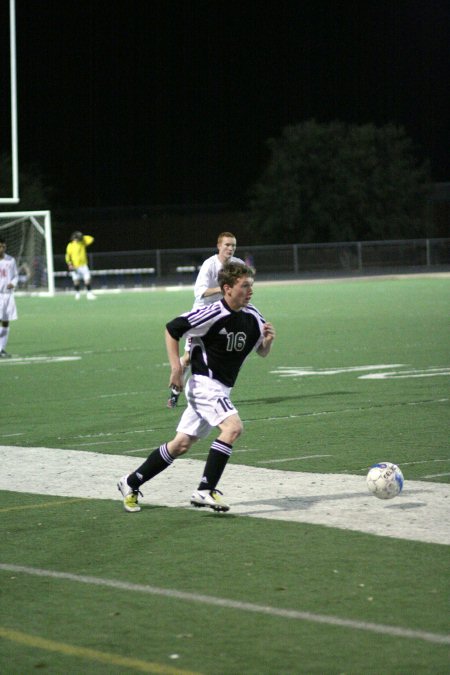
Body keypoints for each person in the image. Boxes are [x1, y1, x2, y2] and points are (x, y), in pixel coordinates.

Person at [118, 260, 276, 513]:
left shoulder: (253, 316)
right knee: (233, 428)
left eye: (251, 286)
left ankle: (130, 481)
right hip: (204, 385)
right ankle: (205, 490)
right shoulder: (212, 313)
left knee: (180, 444)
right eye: (244, 286)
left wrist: (267, 342)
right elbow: (172, 329)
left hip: (221, 389)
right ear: (227, 289)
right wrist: (176, 368)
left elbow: (262, 352)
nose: (250, 291)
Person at [168, 231, 243, 407]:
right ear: (219, 246)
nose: (230, 248)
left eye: (233, 245)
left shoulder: (238, 264)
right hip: (203, 316)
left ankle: (219, 393)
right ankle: (174, 391)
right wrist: (223, 289)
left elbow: (245, 283)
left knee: (224, 353)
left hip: (224, 316)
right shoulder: (209, 265)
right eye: (227, 245)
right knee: (188, 358)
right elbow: (200, 292)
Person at [0, 237, 19, 358]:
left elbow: (16, 276)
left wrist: (13, 283)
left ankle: (1, 348)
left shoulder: (10, 260)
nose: (2, 248)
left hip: (7, 296)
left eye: (4, 246)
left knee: (5, 323)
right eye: (0, 246)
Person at [65, 231, 96, 300]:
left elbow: (91, 239)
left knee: (87, 279)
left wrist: (83, 236)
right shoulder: (70, 245)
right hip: (75, 266)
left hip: (83, 265)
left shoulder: (82, 243)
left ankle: (89, 293)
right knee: (76, 281)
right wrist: (69, 264)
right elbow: (68, 256)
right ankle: (77, 293)